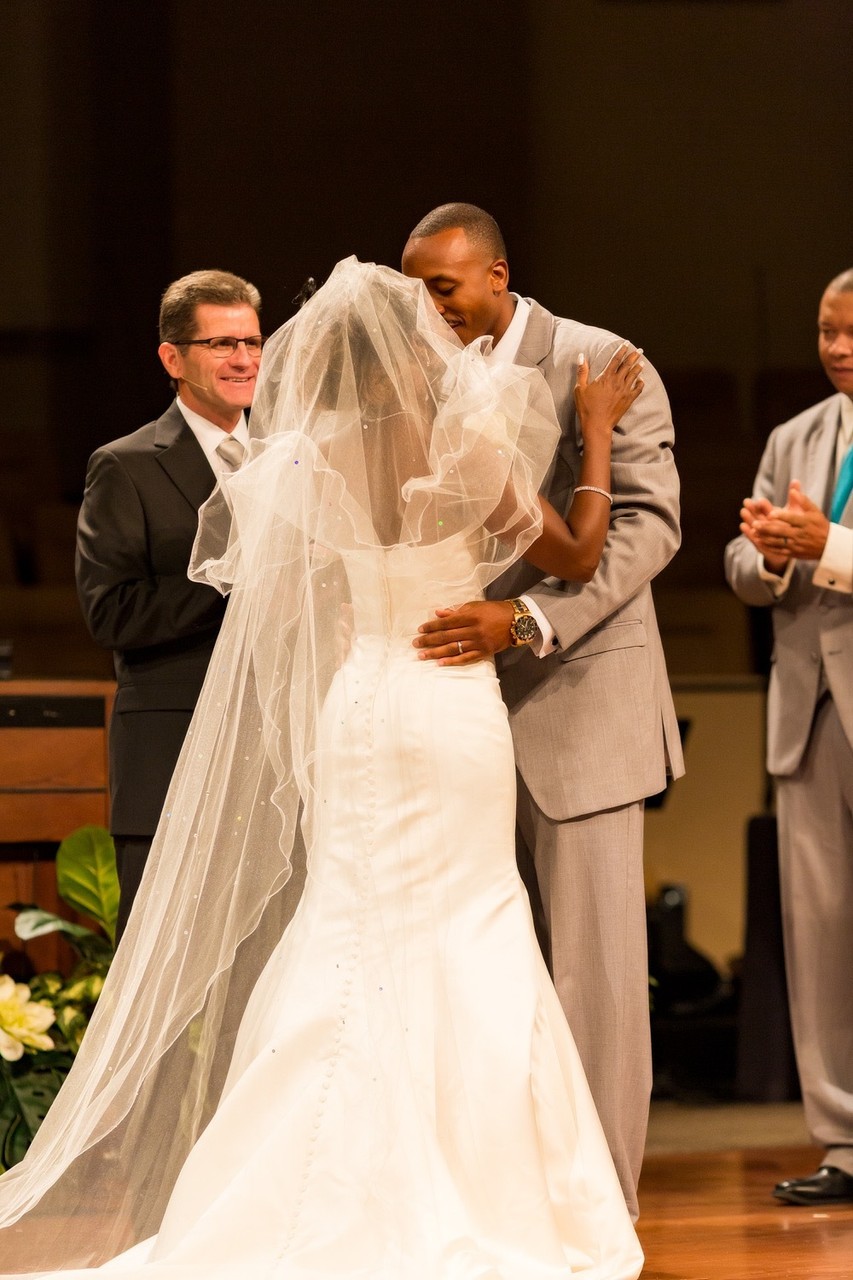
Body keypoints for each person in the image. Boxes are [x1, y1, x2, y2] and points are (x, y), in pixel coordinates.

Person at [0, 259, 644, 1280]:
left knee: (348, 923)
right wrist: (597, 432)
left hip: (361, 705)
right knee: (470, 917)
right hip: (447, 702)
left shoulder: (302, 462)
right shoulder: (469, 447)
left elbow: (301, 612)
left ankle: (306, 1181)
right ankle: (477, 1185)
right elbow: (573, 553)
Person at [402, 204, 683, 1218]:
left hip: (581, 694)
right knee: (479, 966)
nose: (427, 308)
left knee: (594, 977)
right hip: (450, 709)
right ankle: (501, 1191)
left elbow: (650, 528)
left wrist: (519, 623)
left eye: (441, 287)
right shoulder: (417, 365)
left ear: (497, 273)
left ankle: (602, 1199)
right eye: (416, 290)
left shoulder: (600, 360)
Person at [75, 269, 263, 938]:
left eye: (250, 341)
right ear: (172, 357)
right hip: (172, 758)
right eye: (220, 344)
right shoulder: (125, 466)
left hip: (277, 763)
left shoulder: (290, 462)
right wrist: (233, 573)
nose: (242, 359)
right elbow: (112, 612)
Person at [725, 267, 853, 1207]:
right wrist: (767, 554)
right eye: (825, 330)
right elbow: (738, 561)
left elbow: (828, 550)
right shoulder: (794, 435)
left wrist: (830, 550)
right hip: (808, 714)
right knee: (820, 938)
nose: (837, 347)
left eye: (852, 332)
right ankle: (843, 1142)